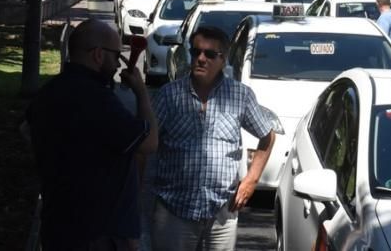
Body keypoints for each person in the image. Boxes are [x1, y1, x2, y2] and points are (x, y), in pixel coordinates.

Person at [25, 19, 158, 251]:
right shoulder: (97, 100)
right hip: (100, 233)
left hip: (58, 225)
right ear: (98, 54)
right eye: (117, 55)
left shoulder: (49, 92)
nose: (118, 64)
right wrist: (141, 93)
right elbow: (148, 143)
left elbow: (25, 130)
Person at [151, 26, 276, 251]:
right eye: (196, 52)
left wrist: (251, 180)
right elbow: (146, 141)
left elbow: (267, 135)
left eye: (210, 54)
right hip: (175, 211)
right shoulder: (169, 95)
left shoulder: (240, 95)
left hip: (222, 213)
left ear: (223, 59)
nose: (201, 59)